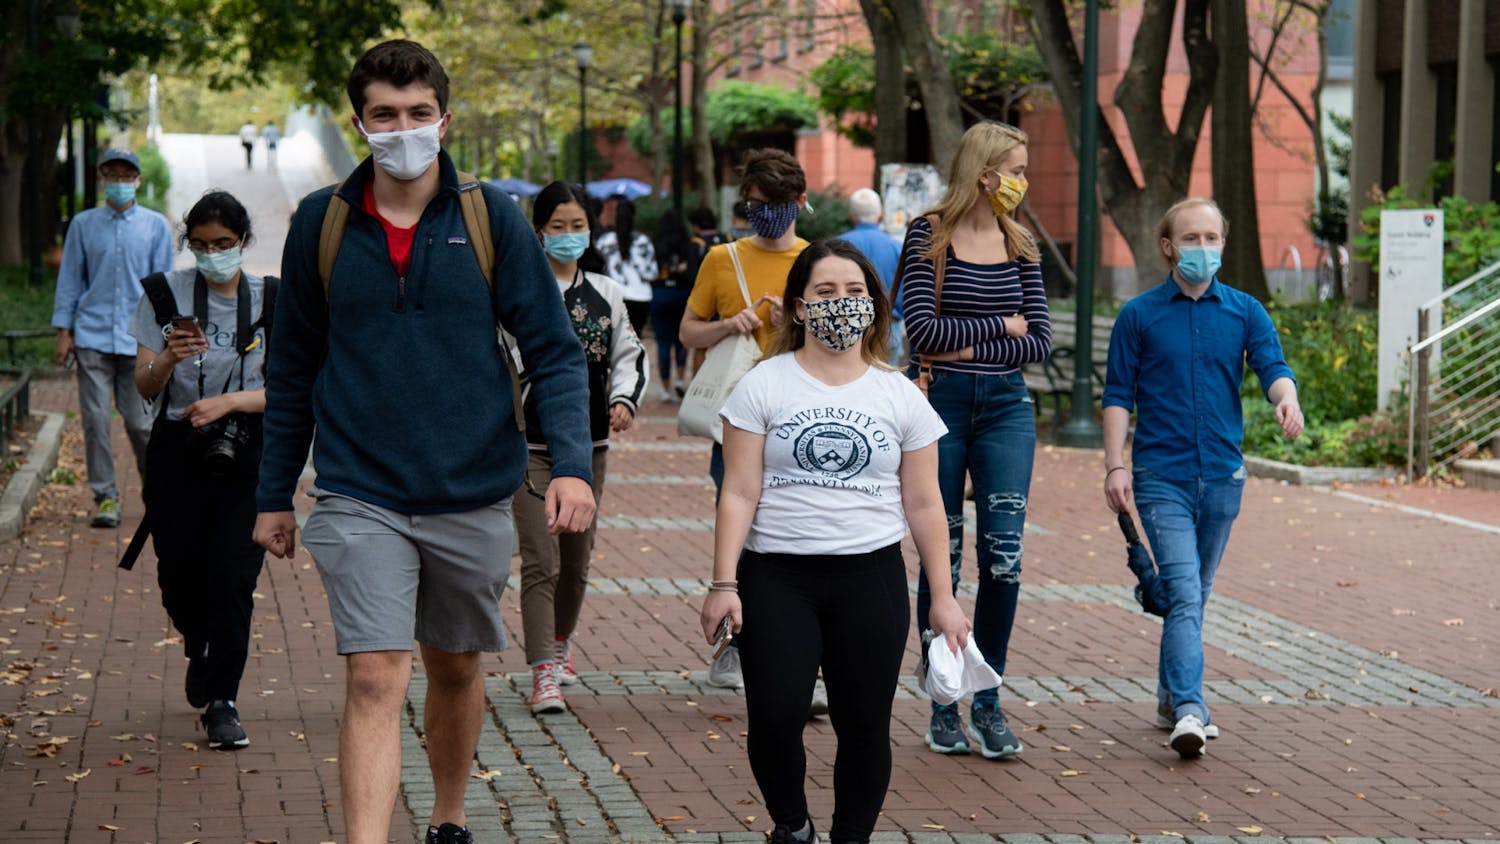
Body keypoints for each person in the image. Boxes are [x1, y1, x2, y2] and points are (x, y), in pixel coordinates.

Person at [252, 40, 596, 844]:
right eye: (384, 115)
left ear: (444, 118)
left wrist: (572, 468)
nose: (401, 129)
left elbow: (554, 350)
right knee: (376, 675)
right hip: (358, 488)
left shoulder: (493, 220)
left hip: (473, 487)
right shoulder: (321, 223)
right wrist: (273, 494)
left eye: (417, 114)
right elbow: (294, 366)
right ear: (360, 122)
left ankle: (447, 816)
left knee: (454, 667)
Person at [699, 239, 971, 844]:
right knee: (773, 718)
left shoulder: (900, 394)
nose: (840, 304)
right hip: (776, 578)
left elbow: (927, 503)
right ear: (799, 307)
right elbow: (739, 491)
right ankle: (791, 826)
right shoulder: (762, 386)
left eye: (854, 293)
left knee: (865, 724)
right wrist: (723, 584)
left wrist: (944, 598)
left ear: (873, 305)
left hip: (869, 580)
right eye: (825, 292)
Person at [1102, 197, 1302, 759]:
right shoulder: (1139, 315)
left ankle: (1169, 697)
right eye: (1191, 239)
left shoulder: (1244, 311)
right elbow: (1118, 394)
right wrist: (1115, 463)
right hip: (1160, 475)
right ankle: (1191, 710)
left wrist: (1288, 401)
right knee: (1186, 593)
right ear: (1168, 247)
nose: (1203, 249)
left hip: (1222, 477)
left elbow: (1273, 368)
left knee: (1195, 593)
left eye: (1212, 238)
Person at [900, 121, 1052, 759]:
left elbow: (1040, 341)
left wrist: (972, 338)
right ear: (983, 171)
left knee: (1005, 557)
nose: (1022, 179)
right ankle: (942, 698)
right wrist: (1000, 325)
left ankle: (987, 699)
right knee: (946, 559)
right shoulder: (928, 235)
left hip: (1008, 408)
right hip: (944, 405)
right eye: (1014, 167)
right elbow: (921, 333)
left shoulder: (1021, 241)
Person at [129, 191, 269, 750]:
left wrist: (231, 403)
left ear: (243, 243)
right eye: (202, 245)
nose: (212, 255)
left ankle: (223, 701)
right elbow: (142, 383)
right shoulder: (163, 294)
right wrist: (167, 358)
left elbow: (293, 391)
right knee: (179, 575)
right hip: (177, 452)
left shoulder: (272, 299)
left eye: (224, 245)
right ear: (188, 243)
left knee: (233, 576)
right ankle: (198, 640)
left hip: (246, 453)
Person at [681, 148, 811, 690]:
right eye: (754, 204)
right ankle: (734, 645)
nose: (763, 213)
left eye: (775, 204)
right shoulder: (722, 259)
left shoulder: (816, 261)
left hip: (800, 418)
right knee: (742, 531)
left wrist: (793, 327)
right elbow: (690, 330)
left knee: (795, 535)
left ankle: (796, 650)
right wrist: (729, 325)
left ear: (799, 203)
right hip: (737, 420)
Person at [517, 181, 647, 714]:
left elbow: (627, 353)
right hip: (526, 445)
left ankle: (561, 641)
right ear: (538, 231)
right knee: (539, 561)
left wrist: (623, 400)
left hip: (589, 446)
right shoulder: (519, 291)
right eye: (557, 227)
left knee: (576, 561)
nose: (568, 236)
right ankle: (544, 670)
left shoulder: (606, 292)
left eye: (577, 226)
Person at [51, 148, 173, 528]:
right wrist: (63, 331)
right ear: (102, 179)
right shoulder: (83, 225)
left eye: (126, 175)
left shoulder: (155, 227)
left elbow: (163, 286)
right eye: (111, 174)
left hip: (137, 341)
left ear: (137, 179)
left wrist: (165, 339)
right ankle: (106, 497)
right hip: (91, 335)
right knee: (95, 419)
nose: (119, 181)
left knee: (140, 423)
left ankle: (156, 491)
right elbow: (70, 279)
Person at [834, 188, 904, 365]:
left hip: (847, 326)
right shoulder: (897, 247)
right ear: (880, 215)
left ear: (851, 216)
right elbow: (905, 295)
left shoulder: (835, 247)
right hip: (888, 328)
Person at [650, 211, 698, 402]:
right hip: (682, 295)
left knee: (662, 342)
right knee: (681, 340)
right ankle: (680, 379)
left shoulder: (656, 246)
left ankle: (664, 388)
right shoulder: (688, 245)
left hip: (660, 294)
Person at [595, 197, 657, 336]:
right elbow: (651, 273)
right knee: (634, 341)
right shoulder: (642, 241)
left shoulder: (605, 241)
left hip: (613, 296)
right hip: (641, 297)